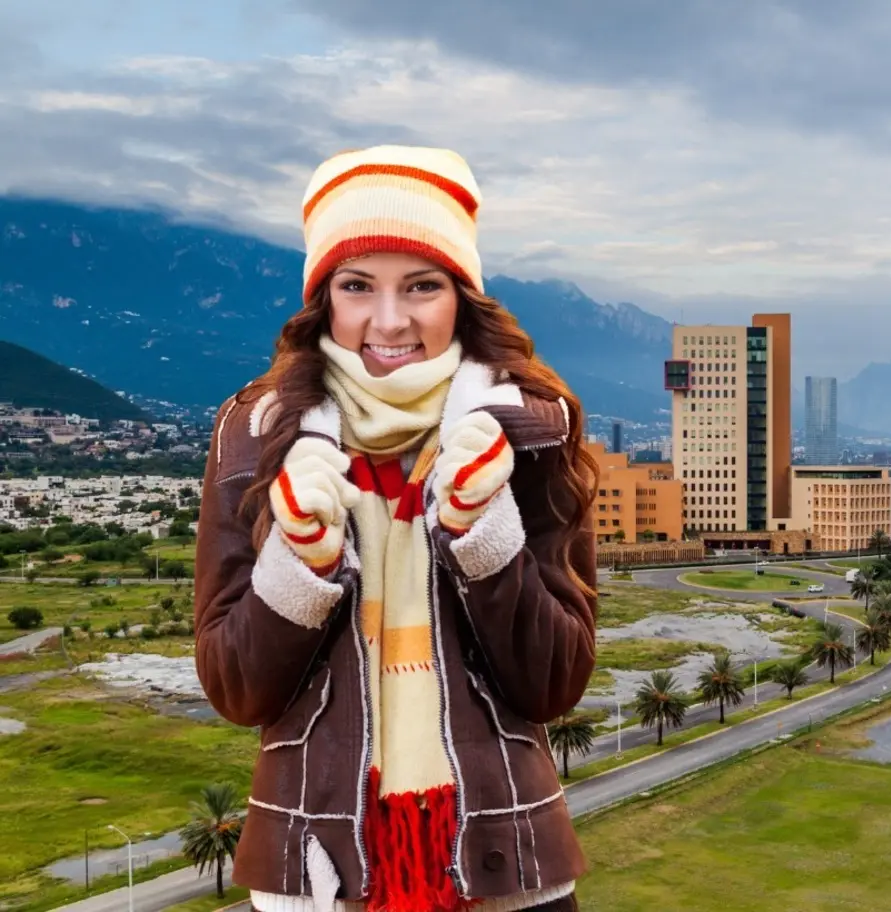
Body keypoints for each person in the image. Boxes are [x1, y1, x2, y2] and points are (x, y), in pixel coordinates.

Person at [194, 145, 598, 912]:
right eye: (357, 287)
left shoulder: (530, 435)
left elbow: (553, 684)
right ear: (326, 302)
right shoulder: (255, 437)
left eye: (421, 286)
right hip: (315, 871)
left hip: (504, 865)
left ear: (461, 297)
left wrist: (485, 536)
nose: (389, 320)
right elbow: (235, 688)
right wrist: (301, 565)